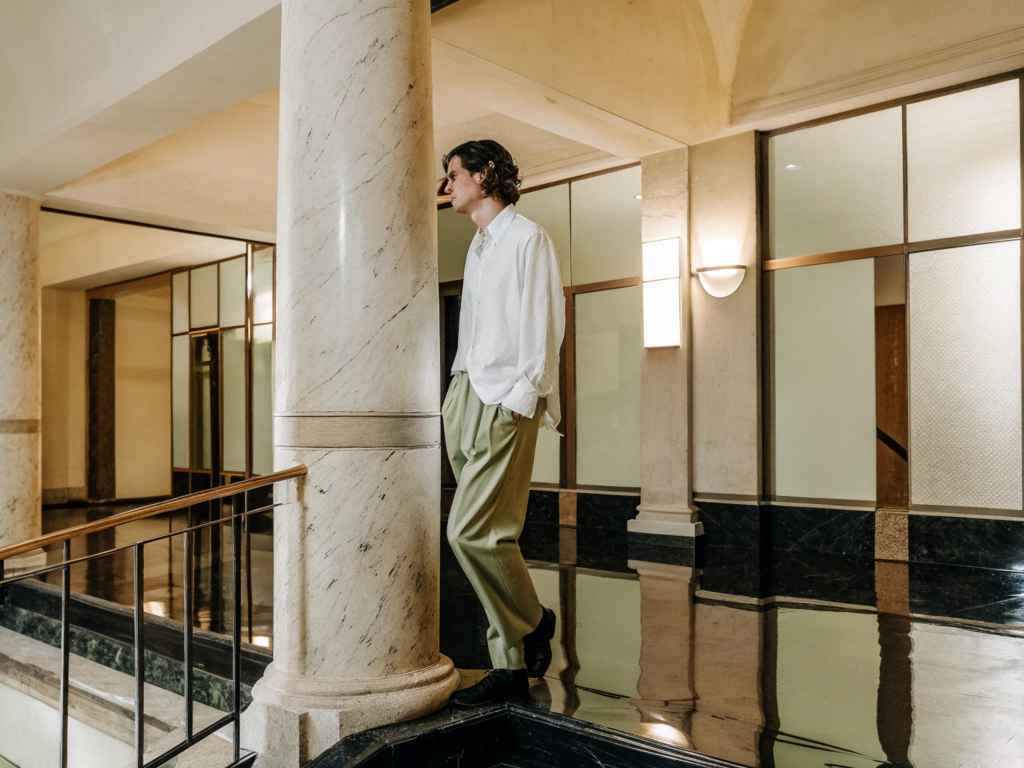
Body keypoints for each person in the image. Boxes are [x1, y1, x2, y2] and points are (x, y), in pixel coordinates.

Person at [439, 139, 565, 706]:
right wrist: (455, 392)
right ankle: (511, 662)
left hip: (504, 398)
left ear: (485, 176)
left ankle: (533, 623)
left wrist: (522, 397)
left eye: (455, 175)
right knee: (489, 535)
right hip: (466, 393)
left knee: (468, 530)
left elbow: (542, 323)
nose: (448, 187)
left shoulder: (526, 238)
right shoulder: (479, 246)